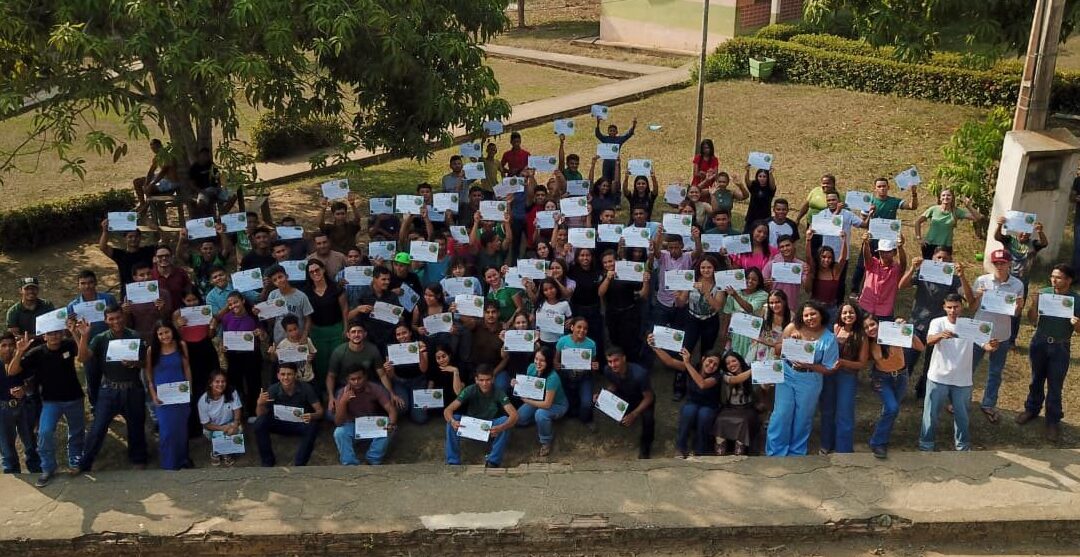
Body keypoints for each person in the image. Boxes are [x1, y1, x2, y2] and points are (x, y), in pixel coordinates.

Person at [920, 294, 999, 452]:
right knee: (931, 414)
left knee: (962, 416)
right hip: (938, 377)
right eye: (949, 307)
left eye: (956, 307)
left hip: (962, 379)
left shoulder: (971, 325)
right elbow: (928, 341)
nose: (952, 310)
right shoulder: (937, 322)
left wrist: (993, 345)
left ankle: (962, 446)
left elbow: (986, 346)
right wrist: (940, 336)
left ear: (961, 307)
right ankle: (926, 445)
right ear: (944, 307)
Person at [76, 305, 147, 474]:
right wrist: (84, 336)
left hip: (133, 389)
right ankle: (85, 463)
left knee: (136, 425)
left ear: (124, 316)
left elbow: (145, 362)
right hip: (109, 390)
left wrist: (134, 363)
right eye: (111, 319)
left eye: (118, 317)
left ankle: (138, 459)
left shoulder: (135, 336)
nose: (116, 321)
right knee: (98, 427)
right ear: (106, 320)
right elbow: (82, 358)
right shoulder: (100, 338)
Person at [9, 329, 84, 486]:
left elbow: (84, 357)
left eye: (57, 332)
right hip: (51, 402)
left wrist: (78, 334)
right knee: (44, 432)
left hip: (74, 398)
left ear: (62, 334)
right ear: (44, 336)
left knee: (76, 432)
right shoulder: (37, 353)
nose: (54, 336)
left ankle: (75, 462)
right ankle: (48, 468)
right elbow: (12, 371)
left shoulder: (69, 345)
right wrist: (19, 352)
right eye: (50, 333)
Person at [766, 300, 839, 457]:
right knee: (781, 413)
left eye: (813, 314)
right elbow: (777, 350)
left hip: (810, 379)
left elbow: (829, 369)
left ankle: (796, 453)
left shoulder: (829, 338)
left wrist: (810, 365)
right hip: (787, 373)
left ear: (821, 315)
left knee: (803, 417)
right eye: (806, 315)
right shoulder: (793, 327)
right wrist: (791, 342)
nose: (810, 318)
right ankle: (775, 452)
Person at [1017, 264, 1080, 442]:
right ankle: (1031, 409)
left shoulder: (1076, 299)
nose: (1053, 280)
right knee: (1036, 378)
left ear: (1068, 280)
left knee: (1055, 384)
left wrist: (1076, 323)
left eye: (1058, 277)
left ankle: (1052, 421)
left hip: (1060, 347)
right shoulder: (1044, 292)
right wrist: (1035, 305)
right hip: (1040, 342)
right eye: (1052, 276)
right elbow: (1031, 320)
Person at [962, 249, 1024, 424]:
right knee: (968, 369)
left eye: (1003, 263)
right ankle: (960, 400)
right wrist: (979, 295)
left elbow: (1016, 314)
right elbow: (972, 308)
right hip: (979, 332)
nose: (999, 266)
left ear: (1009, 264)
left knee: (995, 372)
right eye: (996, 263)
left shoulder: (1017, 285)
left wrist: (1019, 306)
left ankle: (988, 403)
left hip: (1002, 334)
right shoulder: (982, 281)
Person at [898, 247, 967, 400]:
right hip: (916, 323)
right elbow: (901, 286)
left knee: (931, 364)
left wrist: (962, 276)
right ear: (933, 259)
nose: (942, 261)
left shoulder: (954, 279)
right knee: (907, 360)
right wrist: (912, 268)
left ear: (951, 262)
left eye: (946, 259)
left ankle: (923, 392)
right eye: (939, 258)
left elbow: (969, 298)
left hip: (938, 329)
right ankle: (899, 391)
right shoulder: (923, 272)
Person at [864, 315, 924, 459]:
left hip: (901, 376)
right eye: (866, 327)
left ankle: (882, 439)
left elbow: (920, 347)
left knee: (891, 411)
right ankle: (877, 442)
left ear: (879, 324)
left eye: (872, 324)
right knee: (892, 408)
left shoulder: (894, 333)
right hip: (881, 378)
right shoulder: (868, 342)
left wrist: (906, 330)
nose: (870, 329)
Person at [850, 177, 918, 294]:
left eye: (884, 186)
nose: (882, 189)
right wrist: (870, 214)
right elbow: (864, 223)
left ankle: (880, 290)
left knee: (884, 266)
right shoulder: (869, 202)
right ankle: (855, 291)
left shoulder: (894, 201)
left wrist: (913, 193)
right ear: (875, 188)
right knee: (862, 265)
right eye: (879, 186)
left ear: (888, 187)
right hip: (872, 239)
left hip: (887, 242)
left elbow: (913, 206)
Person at [651, 343, 720, 458]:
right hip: (692, 402)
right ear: (703, 359)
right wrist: (654, 347)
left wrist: (687, 363)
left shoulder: (717, 376)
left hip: (709, 406)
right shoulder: (692, 367)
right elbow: (670, 362)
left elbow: (702, 384)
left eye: (715, 364)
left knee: (704, 415)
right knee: (689, 411)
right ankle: (680, 448)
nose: (711, 365)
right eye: (710, 361)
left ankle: (700, 450)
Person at [443, 365, 518, 467]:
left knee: (505, 420)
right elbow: (448, 410)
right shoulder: (470, 390)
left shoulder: (498, 392)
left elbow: (514, 415)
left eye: (488, 380)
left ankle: (493, 461)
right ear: (476, 380)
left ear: (493, 379)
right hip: (471, 425)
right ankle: (453, 461)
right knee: (453, 418)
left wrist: (501, 427)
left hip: (489, 426)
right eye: (481, 380)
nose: (484, 383)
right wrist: (452, 422)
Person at [819, 302, 868, 455]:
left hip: (847, 377)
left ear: (857, 315)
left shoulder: (861, 336)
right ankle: (826, 444)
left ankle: (843, 449)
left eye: (851, 312)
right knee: (827, 410)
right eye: (844, 313)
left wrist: (844, 362)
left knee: (844, 412)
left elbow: (862, 364)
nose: (848, 315)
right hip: (829, 375)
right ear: (839, 315)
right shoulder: (835, 329)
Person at [254, 364, 323, 467]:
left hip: (299, 423)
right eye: (282, 374)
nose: (285, 377)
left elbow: (320, 412)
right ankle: (267, 461)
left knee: (313, 426)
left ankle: (300, 463)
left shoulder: (306, 388)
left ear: (295, 375)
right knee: (259, 423)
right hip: (279, 423)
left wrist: (311, 416)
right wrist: (260, 404)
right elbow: (260, 415)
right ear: (278, 376)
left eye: (289, 374)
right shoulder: (273, 389)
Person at [145, 321, 192, 470]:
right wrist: (153, 394)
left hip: (180, 395)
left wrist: (189, 390)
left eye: (167, 332)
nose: (164, 336)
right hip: (162, 398)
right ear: (156, 335)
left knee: (181, 431)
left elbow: (187, 368)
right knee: (166, 432)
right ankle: (169, 464)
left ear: (172, 331)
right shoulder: (152, 351)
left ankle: (183, 460)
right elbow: (149, 376)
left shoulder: (181, 346)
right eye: (160, 333)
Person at [172, 288, 219, 437]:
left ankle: (215, 420)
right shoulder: (177, 314)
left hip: (206, 349)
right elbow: (175, 338)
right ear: (183, 301)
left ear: (199, 299)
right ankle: (195, 424)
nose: (192, 303)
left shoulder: (205, 311)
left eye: (194, 300)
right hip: (189, 351)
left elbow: (211, 335)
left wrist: (212, 326)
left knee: (210, 383)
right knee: (193, 387)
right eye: (188, 300)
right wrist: (178, 326)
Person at [597, 346, 655, 459]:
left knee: (648, 419)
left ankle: (645, 448)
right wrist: (603, 395)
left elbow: (649, 397)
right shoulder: (608, 370)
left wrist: (634, 414)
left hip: (641, 399)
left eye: (616, 360)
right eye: (610, 362)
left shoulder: (640, 374)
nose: (613, 365)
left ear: (624, 358)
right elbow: (613, 385)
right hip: (624, 394)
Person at [332, 368, 397, 465]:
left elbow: (391, 410)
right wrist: (343, 401)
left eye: (359, 378)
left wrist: (391, 424)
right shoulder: (342, 392)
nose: (356, 382)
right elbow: (338, 422)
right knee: (339, 432)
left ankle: (372, 460)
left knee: (389, 425)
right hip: (352, 425)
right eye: (353, 379)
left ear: (365, 377)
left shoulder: (375, 388)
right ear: (347, 380)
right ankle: (350, 463)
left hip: (370, 424)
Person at [214, 291, 265, 417]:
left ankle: (253, 411)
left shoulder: (253, 315)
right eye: (230, 304)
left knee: (254, 383)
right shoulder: (226, 318)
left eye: (235, 302)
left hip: (252, 355)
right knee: (235, 385)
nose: (233, 306)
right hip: (234, 356)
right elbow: (224, 336)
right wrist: (224, 347)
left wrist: (260, 333)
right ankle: (239, 413)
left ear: (242, 301)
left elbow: (263, 335)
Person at [513, 346, 569, 457]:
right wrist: (516, 383)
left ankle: (546, 441)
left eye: (542, 360)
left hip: (556, 405)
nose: (538, 363)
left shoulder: (553, 378)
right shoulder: (531, 368)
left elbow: (547, 404)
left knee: (541, 414)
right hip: (537, 399)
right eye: (536, 359)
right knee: (518, 419)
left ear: (548, 361)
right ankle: (542, 423)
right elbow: (528, 386)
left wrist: (526, 400)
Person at [302, 259, 347, 392]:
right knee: (321, 364)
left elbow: (344, 309)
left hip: (336, 329)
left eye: (317, 269)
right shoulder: (306, 292)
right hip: (317, 331)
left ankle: (340, 390)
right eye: (311, 272)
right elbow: (307, 316)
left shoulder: (337, 288)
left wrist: (345, 328)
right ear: (308, 275)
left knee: (337, 361)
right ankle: (324, 393)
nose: (315, 273)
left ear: (323, 269)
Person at [0, 332, 40, 475]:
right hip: (3, 409)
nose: (8, 348)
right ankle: (12, 473)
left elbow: (32, 383)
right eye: (4, 345)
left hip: (24, 405)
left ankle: (36, 470)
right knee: (6, 445)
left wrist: (24, 389)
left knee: (30, 442)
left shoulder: (23, 361)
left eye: (11, 345)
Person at [599, 250, 650, 362]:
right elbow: (600, 293)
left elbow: (643, 294)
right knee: (614, 342)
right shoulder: (603, 275)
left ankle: (631, 366)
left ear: (617, 261)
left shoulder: (627, 273)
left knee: (631, 343)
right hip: (612, 315)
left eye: (611, 261)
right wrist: (608, 278)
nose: (608, 264)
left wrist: (646, 281)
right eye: (605, 262)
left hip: (629, 314)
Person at [325, 322, 386, 416]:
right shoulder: (339, 352)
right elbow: (331, 376)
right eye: (353, 332)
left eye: (359, 332)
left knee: (395, 405)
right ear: (348, 335)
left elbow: (382, 374)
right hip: (345, 386)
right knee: (330, 414)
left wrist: (391, 393)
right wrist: (331, 397)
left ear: (365, 334)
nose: (356, 335)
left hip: (367, 385)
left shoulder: (372, 349)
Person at [554, 317, 600, 429]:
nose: (582, 330)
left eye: (585, 328)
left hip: (584, 376)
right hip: (566, 375)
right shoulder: (562, 341)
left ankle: (586, 419)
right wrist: (556, 365)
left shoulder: (591, 344)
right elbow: (556, 360)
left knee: (586, 404)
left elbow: (593, 362)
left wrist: (594, 366)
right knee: (568, 405)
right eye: (579, 327)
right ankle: (572, 411)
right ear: (572, 327)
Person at [914, 189, 982, 259]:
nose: (946, 197)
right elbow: (918, 222)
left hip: (945, 246)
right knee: (929, 268)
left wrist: (968, 206)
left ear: (952, 198)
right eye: (943, 195)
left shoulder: (956, 211)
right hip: (929, 245)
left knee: (944, 269)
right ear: (940, 198)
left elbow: (977, 217)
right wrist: (919, 238)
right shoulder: (933, 209)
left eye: (948, 195)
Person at [383, 324, 431, 424]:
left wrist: (419, 353)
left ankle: (413, 407)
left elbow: (424, 369)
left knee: (420, 418)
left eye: (404, 333)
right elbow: (391, 376)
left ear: (410, 333)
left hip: (418, 381)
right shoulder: (392, 349)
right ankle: (409, 405)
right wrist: (389, 369)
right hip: (400, 382)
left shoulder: (419, 345)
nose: (402, 336)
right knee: (401, 409)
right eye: (398, 334)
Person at [713, 350, 758, 455]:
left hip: (747, 408)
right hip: (731, 408)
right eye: (728, 363)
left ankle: (739, 452)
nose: (731, 365)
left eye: (734, 361)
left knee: (744, 421)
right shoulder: (725, 375)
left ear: (740, 360)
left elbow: (764, 388)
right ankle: (720, 453)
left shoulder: (750, 372)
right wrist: (755, 369)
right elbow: (735, 380)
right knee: (720, 420)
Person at [720, 267, 768, 362]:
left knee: (748, 359)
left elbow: (750, 309)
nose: (750, 281)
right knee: (732, 359)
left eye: (754, 279)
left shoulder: (763, 295)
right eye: (747, 278)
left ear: (759, 282)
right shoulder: (734, 292)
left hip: (752, 334)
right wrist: (723, 331)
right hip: (735, 333)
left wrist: (735, 296)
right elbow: (727, 313)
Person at [197, 370, 243, 467]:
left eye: (223, 381)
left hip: (230, 423)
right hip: (213, 427)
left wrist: (235, 424)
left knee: (238, 429)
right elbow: (206, 424)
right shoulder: (203, 400)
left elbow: (237, 410)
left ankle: (225, 451)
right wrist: (223, 428)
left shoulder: (232, 392)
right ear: (210, 383)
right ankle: (216, 451)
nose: (221, 384)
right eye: (217, 382)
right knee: (217, 434)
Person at [857, 235, 907, 321]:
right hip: (865, 307)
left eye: (887, 252)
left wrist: (900, 247)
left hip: (885, 312)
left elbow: (903, 264)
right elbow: (866, 256)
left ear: (894, 252)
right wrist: (865, 243)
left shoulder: (896, 269)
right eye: (881, 252)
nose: (884, 254)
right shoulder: (872, 263)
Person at [97, 218, 159, 286]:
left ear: (140, 238)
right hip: (128, 291)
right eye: (130, 237)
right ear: (125, 239)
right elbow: (103, 247)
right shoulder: (120, 254)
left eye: (136, 236)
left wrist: (156, 229)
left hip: (148, 288)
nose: (133, 239)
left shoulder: (148, 251)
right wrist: (105, 231)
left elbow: (165, 242)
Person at [262, 264, 314, 344]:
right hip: (279, 339)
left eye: (280, 277)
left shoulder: (301, 296)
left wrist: (305, 335)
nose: (279, 281)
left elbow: (308, 319)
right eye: (275, 280)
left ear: (287, 276)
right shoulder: (273, 295)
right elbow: (271, 320)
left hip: (298, 339)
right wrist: (262, 313)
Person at [176, 226, 233, 296]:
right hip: (201, 294)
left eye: (211, 248)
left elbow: (226, 249)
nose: (208, 251)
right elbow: (180, 254)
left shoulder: (219, 258)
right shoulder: (196, 259)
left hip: (220, 292)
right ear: (200, 250)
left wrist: (222, 234)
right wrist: (181, 239)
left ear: (215, 249)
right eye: (205, 249)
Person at [266, 315, 318, 384]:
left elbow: (313, 352)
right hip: (292, 381)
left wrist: (311, 357)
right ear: (286, 331)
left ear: (299, 327)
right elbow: (276, 359)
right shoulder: (283, 344)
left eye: (295, 329)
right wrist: (272, 353)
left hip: (307, 378)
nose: (294, 332)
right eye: (290, 331)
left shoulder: (306, 340)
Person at [763, 235, 807, 309]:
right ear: (779, 249)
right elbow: (762, 285)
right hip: (773, 306)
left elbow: (807, 288)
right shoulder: (771, 264)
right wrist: (765, 284)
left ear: (793, 245)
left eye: (787, 245)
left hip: (791, 306)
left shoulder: (801, 265)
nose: (785, 248)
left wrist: (809, 273)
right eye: (782, 247)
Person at [189, 147, 232, 215]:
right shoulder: (194, 168)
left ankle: (223, 213)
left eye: (207, 156)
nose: (205, 158)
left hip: (215, 189)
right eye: (203, 155)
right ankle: (205, 218)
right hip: (203, 190)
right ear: (199, 156)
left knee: (232, 195)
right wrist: (201, 191)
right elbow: (192, 184)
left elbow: (218, 177)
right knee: (201, 203)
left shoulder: (211, 165)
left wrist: (219, 187)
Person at [151, 245, 192, 315]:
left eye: (167, 256)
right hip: (158, 315)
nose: (164, 258)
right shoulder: (150, 275)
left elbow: (188, 292)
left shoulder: (181, 273)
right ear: (154, 259)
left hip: (180, 314)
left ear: (172, 257)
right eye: (160, 256)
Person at [596, 117, 636, 183]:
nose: (612, 132)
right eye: (610, 131)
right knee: (605, 179)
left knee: (616, 179)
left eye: (614, 131)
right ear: (608, 132)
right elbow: (598, 134)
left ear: (616, 132)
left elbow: (627, 135)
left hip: (616, 163)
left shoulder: (619, 139)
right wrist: (598, 123)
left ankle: (616, 192)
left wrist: (633, 126)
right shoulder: (605, 139)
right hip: (606, 163)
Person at [743, 166, 777, 232]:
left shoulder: (770, 189)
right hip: (751, 217)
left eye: (764, 176)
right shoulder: (754, 185)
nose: (762, 178)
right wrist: (747, 171)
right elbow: (747, 182)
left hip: (764, 218)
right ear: (757, 177)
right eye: (760, 176)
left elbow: (773, 185)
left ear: (767, 178)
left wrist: (770, 173)